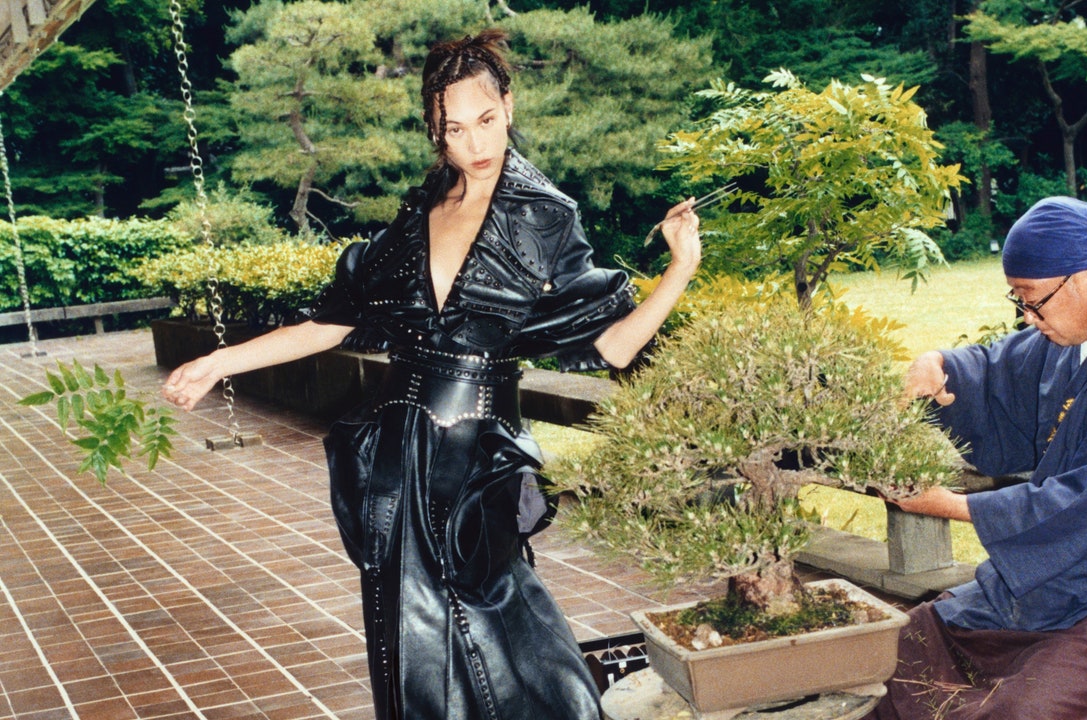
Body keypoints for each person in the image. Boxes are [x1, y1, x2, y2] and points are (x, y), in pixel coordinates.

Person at [161, 29, 701, 720]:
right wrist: (219, 361)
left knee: (523, 640)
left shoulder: (544, 217)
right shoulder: (420, 214)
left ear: (509, 106)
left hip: (480, 458)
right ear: (435, 131)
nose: (476, 142)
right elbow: (333, 322)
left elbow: (615, 346)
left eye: (486, 119)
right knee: (412, 651)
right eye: (455, 129)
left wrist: (681, 267)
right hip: (399, 459)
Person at [870, 196, 1087, 720]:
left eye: (1034, 302)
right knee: (888, 663)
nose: (1028, 318)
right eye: (1020, 302)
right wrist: (937, 365)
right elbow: (991, 370)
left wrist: (947, 504)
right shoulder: (1066, 341)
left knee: (1019, 711)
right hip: (1037, 584)